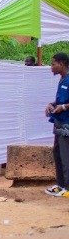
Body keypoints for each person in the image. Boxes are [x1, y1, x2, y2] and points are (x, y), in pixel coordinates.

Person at [44, 52, 69, 197]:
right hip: (59, 123)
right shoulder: (62, 80)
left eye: (53, 64)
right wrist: (51, 104)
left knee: (66, 157)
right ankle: (60, 185)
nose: (51, 67)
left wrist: (64, 107)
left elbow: (65, 104)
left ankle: (67, 187)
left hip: (66, 124)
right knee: (58, 154)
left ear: (62, 64)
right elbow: (60, 100)